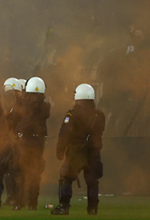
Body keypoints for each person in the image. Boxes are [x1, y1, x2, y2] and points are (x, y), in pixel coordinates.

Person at [51, 83, 105, 216]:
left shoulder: (72, 113)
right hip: (94, 152)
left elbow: (65, 134)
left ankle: (64, 206)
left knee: (66, 178)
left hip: (76, 152)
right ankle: (93, 209)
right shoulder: (100, 115)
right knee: (92, 181)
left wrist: (60, 151)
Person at [9, 76, 50, 211]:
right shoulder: (45, 106)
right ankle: (32, 203)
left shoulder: (22, 105)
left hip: (24, 141)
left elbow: (12, 121)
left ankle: (18, 203)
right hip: (38, 143)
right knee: (34, 173)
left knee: (19, 172)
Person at [0, 77, 21, 208]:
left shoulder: (19, 108)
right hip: (5, 142)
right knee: (2, 171)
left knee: (10, 172)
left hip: (13, 142)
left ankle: (10, 198)